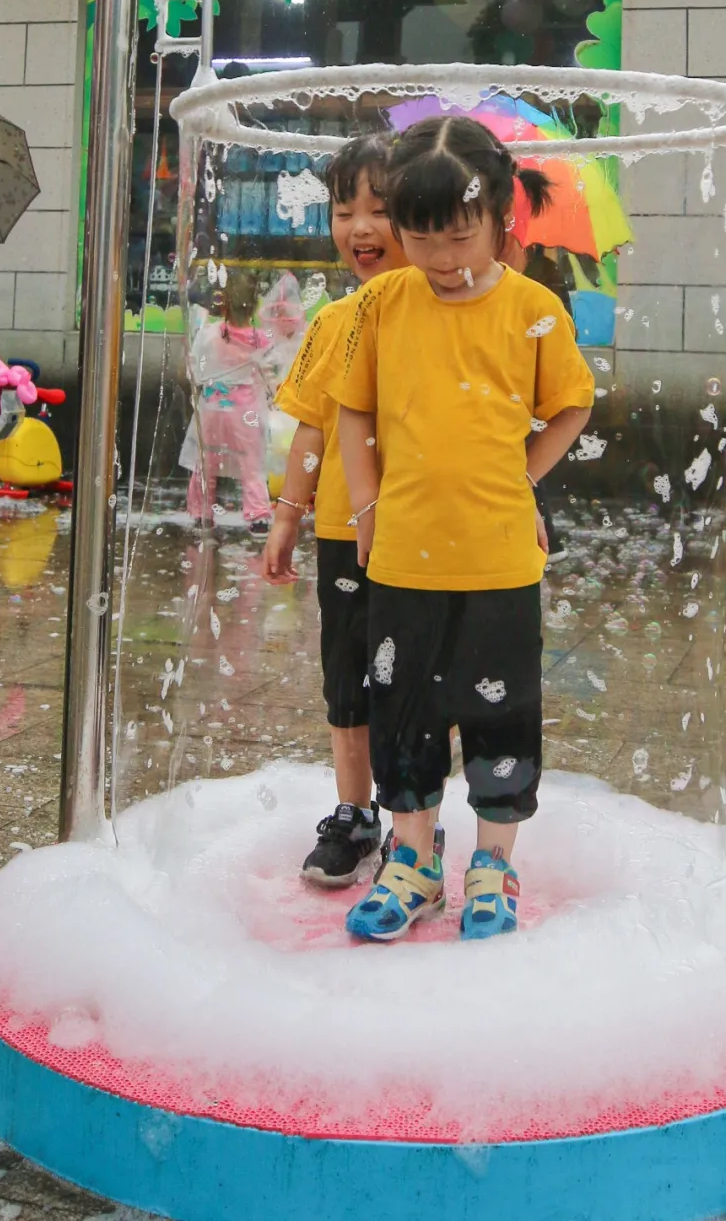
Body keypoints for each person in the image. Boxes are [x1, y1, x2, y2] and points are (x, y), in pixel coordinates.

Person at [333, 116, 594, 944]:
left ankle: (493, 861)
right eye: (422, 237)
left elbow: (572, 403)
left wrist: (521, 473)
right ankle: (411, 863)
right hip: (404, 553)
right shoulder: (382, 302)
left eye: (460, 236)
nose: (442, 258)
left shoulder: (532, 309)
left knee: (501, 708)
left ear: (499, 217)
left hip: (499, 559)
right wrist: (367, 509)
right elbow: (354, 409)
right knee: (402, 708)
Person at [263, 134, 407, 887]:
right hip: (344, 533)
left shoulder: (440, 319)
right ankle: (355, 814)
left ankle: (416, 814)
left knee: (416, 678)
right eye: (344, 209)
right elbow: (312, 427)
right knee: (347, 676)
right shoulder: (333, 322)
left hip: (424, 536)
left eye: (380, 210)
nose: (359, 227)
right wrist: (289, 513)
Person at [184, 269, 274, 533]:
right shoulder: (261, 340)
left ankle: (201, 513)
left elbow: (196, 370)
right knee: (252, 464)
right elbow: (268, 374)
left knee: (206, 463)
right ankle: (257, 516)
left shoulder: (211, 334)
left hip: (211, 407)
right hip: (245, 412)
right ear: (254, 305)